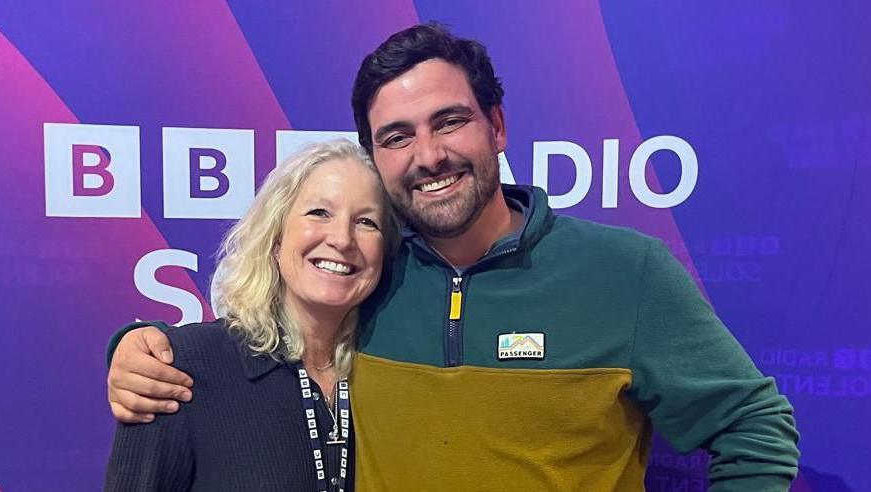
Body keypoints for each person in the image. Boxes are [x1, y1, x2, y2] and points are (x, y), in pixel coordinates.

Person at [106, 24, 799, 491]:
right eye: (397, 136)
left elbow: (754, 426)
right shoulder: (370, 279)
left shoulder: (627, 273)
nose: (429, 155)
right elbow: (266, 334)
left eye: (450, 121)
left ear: (496, 126)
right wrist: (138, 345)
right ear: (377, 156)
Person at [105, 140, 400, 491]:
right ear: (276, 238)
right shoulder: (177, 368)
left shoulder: (392, 374)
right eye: (319, 213)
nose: (342, 238)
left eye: (366, 221)